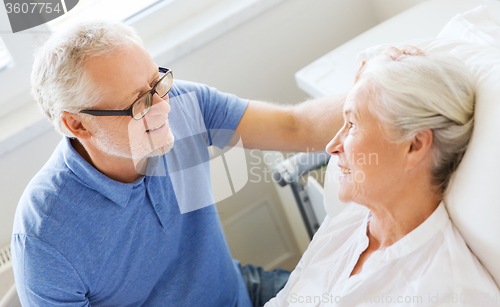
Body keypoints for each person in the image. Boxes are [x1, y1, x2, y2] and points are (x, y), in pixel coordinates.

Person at [11, 20, 345, 307]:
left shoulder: (184, 102)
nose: (164, 108)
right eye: (138, 102)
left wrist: (376, 92)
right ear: (78, 125)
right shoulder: (44, 238)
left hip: (239, 292)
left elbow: (294, 126)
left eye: (157, 83)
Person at [265, 47, 500, 306]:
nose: (332, 145)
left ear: (414, 146)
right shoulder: (349, 219)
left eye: (352, 125)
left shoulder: (449, 293)